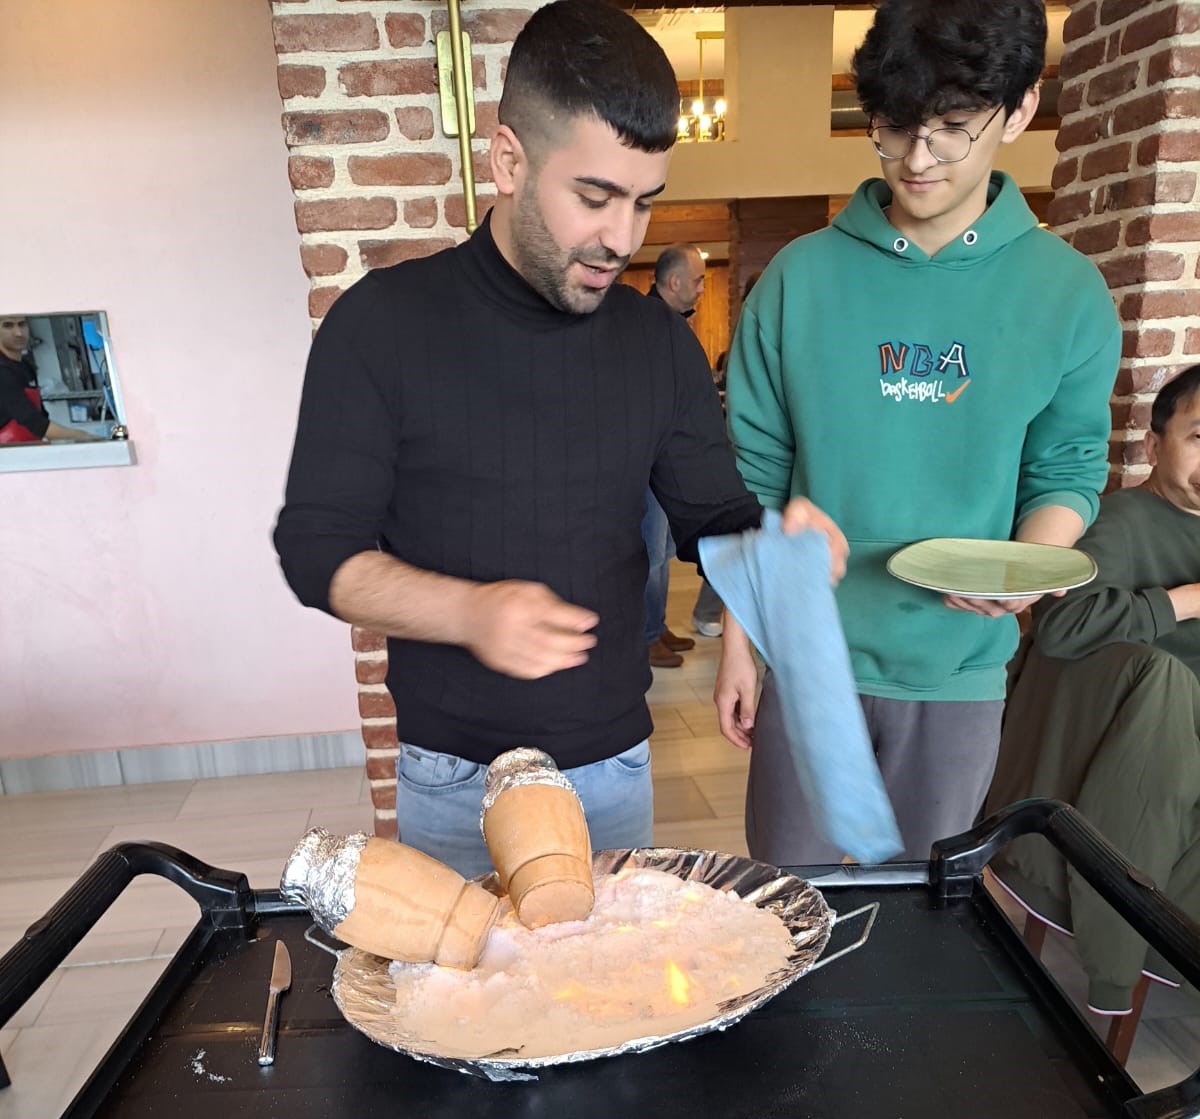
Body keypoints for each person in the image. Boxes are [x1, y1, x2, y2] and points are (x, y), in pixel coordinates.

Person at [273, 0, 844, 878]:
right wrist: (468, 612)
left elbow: (712, 518)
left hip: (610, 770)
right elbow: (317, 552)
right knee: (468, 975)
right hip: (451, 777)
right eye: (594, 197)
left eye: (644, 203)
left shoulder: (656, 343)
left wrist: (773, 547)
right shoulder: (381, 326)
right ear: (508, 160)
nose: (622, 238)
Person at [716, 0, 1121, 865]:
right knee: (790, 906)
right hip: (808, 657)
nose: (917, 159)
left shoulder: (1067, 293)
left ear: (1019, 109)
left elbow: (1067, 467)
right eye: (895, 129)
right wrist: (738, 646)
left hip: (960, 670)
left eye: (951, 129)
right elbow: (752, 475)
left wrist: (1026, 568)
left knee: (920, 914)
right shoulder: (798, 279)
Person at [1033, 363, 1200, 676]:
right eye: (1198, 436)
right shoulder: (1116, 520)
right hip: (1153, 704)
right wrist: (1187, 601)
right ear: (1153, 447)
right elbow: (1059, 629)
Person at [643, 243, 707, 667]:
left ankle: (657, 625)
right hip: (649, 462)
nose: (701, 288)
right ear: (674, 281)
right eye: (698, 280)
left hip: (668, 460)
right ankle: (645, 636)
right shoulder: (647, 325)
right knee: (650, 551)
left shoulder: (672, 323)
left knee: (664, 550)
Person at [0, 315, 102, 444]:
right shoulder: (2, 371)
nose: (18, 333)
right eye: (8, 326)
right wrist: (81, 436)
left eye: (22, 324)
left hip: (28, 445)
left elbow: (41, 416)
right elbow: (32, 420)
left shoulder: (26, 366)